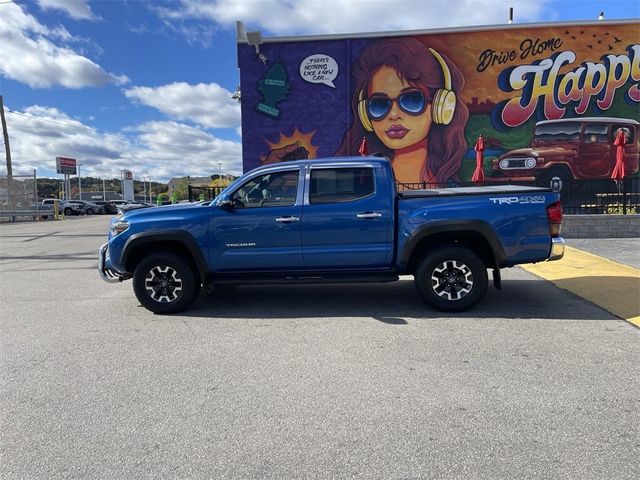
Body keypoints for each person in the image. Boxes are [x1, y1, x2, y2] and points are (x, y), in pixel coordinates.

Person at [336, 37, 469, 185]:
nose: (393, 115)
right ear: (365, 115)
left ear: (440, 106)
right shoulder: (359, 185)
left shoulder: (452, 187)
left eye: (411, 100)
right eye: (379, 104)